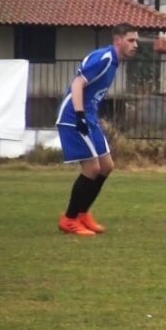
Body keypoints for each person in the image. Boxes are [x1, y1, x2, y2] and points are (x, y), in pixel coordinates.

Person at [55, 23, 139, 236]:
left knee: (106, 166)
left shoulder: (114, 62)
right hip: (73, 116)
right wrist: (80, 114)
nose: (135, 45)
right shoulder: (105, 58)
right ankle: (69, 219)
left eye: (136, 41)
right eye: (131, 40)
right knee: (92, 168)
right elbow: (77, 84)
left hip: (89, 117)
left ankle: (82, 214)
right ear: (118, 40)